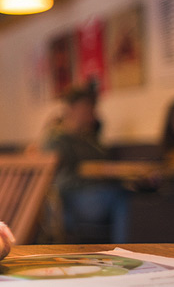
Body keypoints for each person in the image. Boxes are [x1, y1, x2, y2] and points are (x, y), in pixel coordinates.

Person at [44, 85, 128, 244]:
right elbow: (59, 180)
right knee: (121, 196)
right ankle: (123, 248)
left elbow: (103, 161)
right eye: (86, 107)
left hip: (95, 193)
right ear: (70, 109)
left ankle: (127, 247)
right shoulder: (57, 140)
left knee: (130, 192)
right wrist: (95, 175)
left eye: (92, 107)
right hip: (70, 200)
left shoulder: (90, 139)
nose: (91, 112)